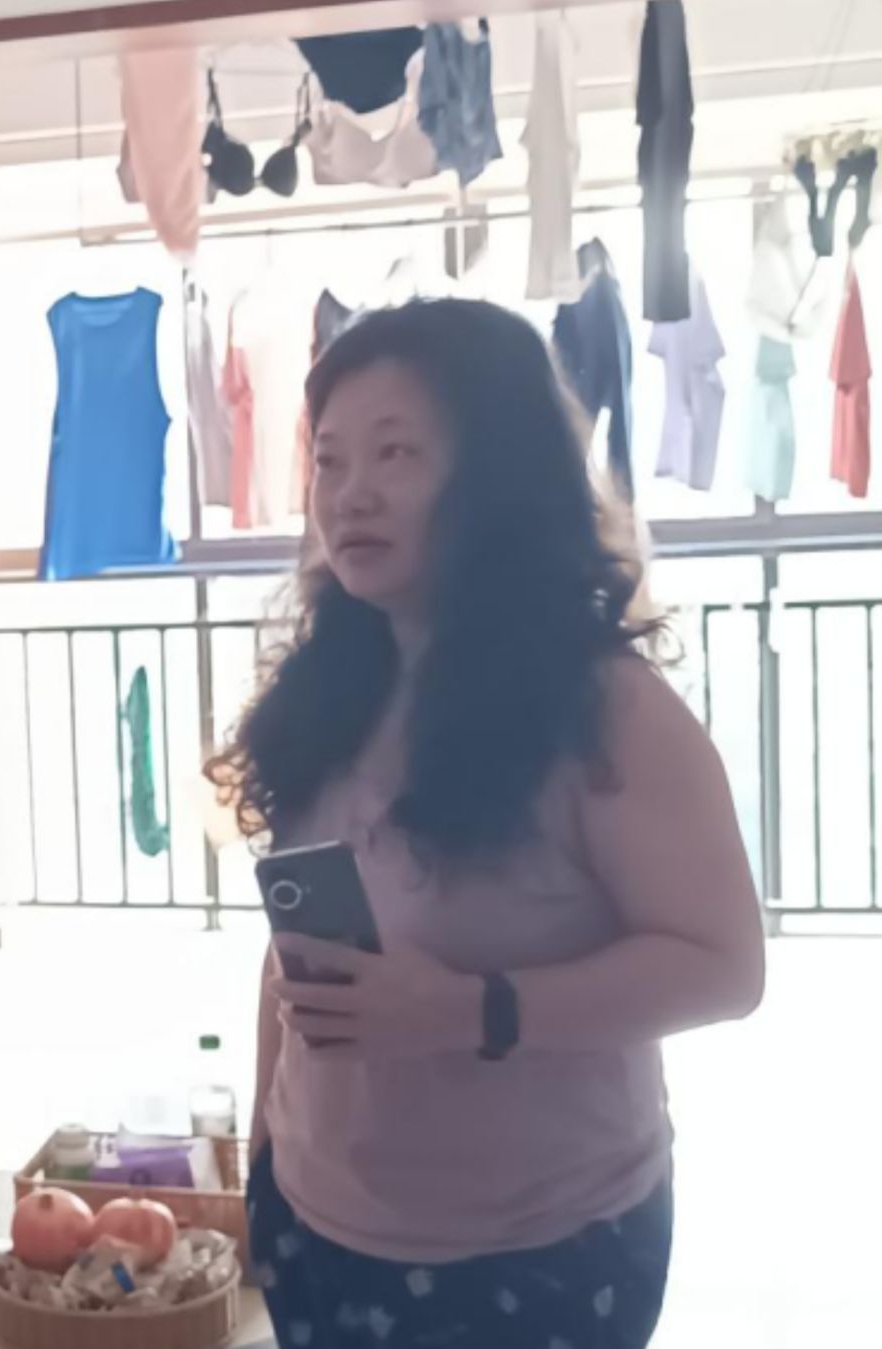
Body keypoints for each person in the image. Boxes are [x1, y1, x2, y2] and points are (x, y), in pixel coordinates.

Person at [208, 299, 765, 1349]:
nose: (350, 493)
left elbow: (724, 968)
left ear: (497, 473)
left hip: (535, 1254)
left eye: (396, 453)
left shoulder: (606, 709)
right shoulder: (327, 690)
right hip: (314, 1225)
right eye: (328, 460)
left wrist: (478, 1010)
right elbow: (294, 955)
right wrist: (262, 1151)